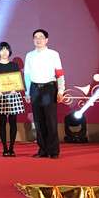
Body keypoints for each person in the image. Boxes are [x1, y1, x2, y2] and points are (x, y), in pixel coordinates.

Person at [23, 29, 65, 159]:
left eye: (41, 37)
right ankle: (42, 150)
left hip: (49, 88)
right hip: (35, 88)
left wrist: (61, 90)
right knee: (38, 120)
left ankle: (53, 151)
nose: (38, 39)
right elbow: (27, 75)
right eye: (36, 37)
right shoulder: (29, 55)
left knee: (50, 120)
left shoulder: (53, 54)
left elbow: (59, 73)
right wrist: (27, 92)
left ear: (46, 40)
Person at [0, 42, 24, 157]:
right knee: (2, 122)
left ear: (9, 51)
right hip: (0, 95)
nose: (4, 52)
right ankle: (5, 148)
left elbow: (17, 80)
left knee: (13, 122)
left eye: (6, 49)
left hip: (13, 95)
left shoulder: (14, 65)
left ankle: (12, 148)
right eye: (2, 50)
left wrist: (15, 88)